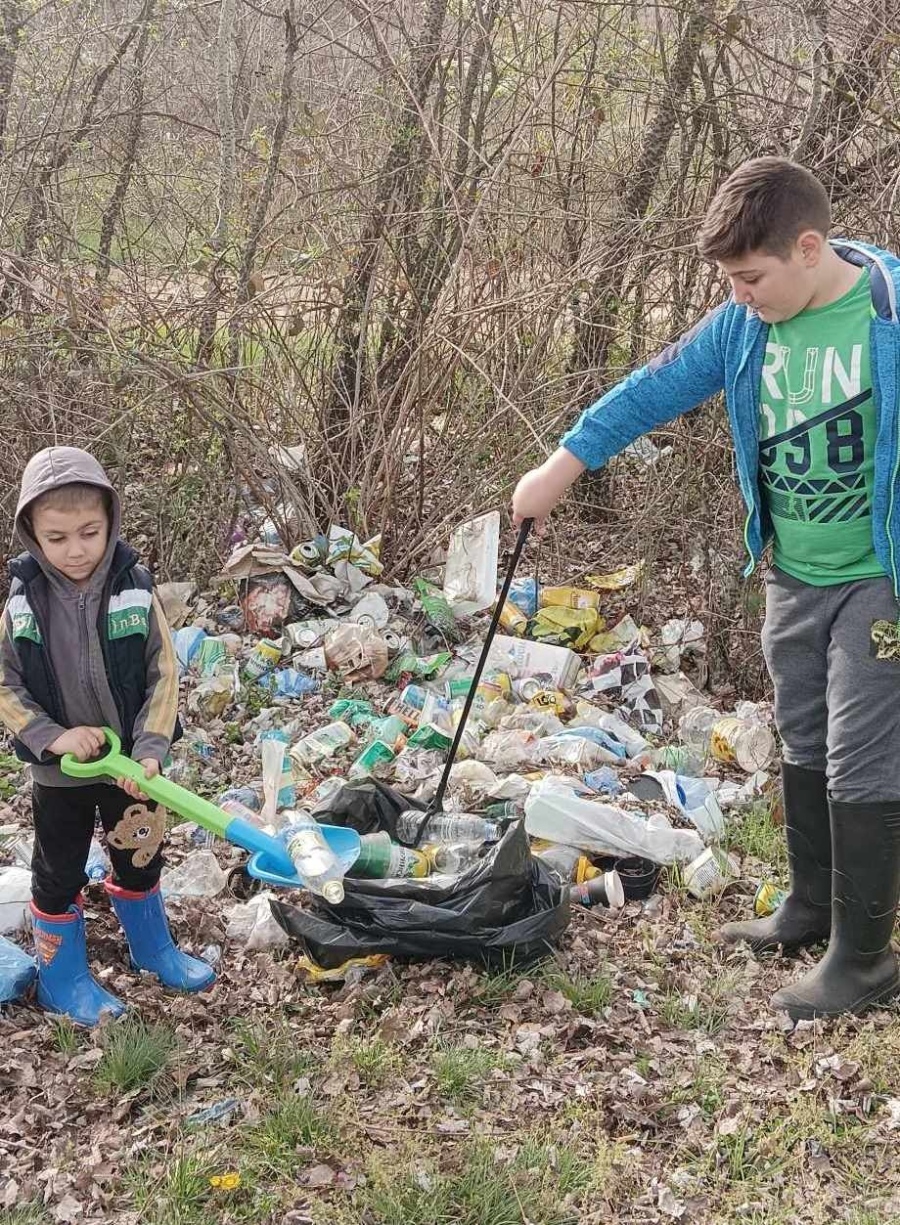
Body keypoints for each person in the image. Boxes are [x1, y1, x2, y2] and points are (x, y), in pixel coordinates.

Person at [513, 157, 900, 1021]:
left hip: (880, 578)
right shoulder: (743, 327)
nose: (739, 295)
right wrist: (559, 467)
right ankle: (810, 907)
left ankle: (866, 957)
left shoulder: (887, 315)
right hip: (789, 570)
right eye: (729, 281)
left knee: (861, 751)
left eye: (751, 278)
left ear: (809, 248)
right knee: (800, 732)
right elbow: (651, 388)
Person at [0, 446, 215, 1026]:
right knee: (58, 869)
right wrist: (52, 736)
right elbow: (5, 683)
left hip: (131, 769)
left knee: (140, 852)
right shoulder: (24, 602)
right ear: (32, 536)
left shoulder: (135, 590)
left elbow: (163, 673)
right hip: (60, 773)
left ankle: (153, 948)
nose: (76, 550)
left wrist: (148, 750)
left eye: (90, 533)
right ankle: (62, 976)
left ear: (110, 523)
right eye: (58, 537)